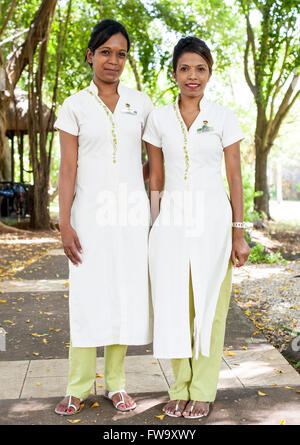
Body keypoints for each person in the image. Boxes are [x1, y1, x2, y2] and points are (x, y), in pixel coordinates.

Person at [143, 36, 250, 419]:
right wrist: (153, 226)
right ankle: (179, 387)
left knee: (211, 308)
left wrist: (239, 232)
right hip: (170, 222)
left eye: (200, 68)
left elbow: (235, 177)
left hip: (214, 223)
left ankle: (203, 389)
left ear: (210, 72)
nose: (193, 76)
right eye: (185, 68)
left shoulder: (223, 117)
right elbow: (156, 177)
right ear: (174, 73)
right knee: (173, 306)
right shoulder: (157, 118)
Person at [54, 19, 153, 415]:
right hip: (89, 219)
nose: (114, 60)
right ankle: (78, 386)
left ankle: (116, 384)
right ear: (91, 55)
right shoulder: (74, 105)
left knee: (123, 295)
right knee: (86, 297)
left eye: (121, 53)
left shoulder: (140, 104)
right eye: (106, 52)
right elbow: (67, 169)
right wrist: (64, 223)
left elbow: (153, 162)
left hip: (130, 218)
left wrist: (137, 187)